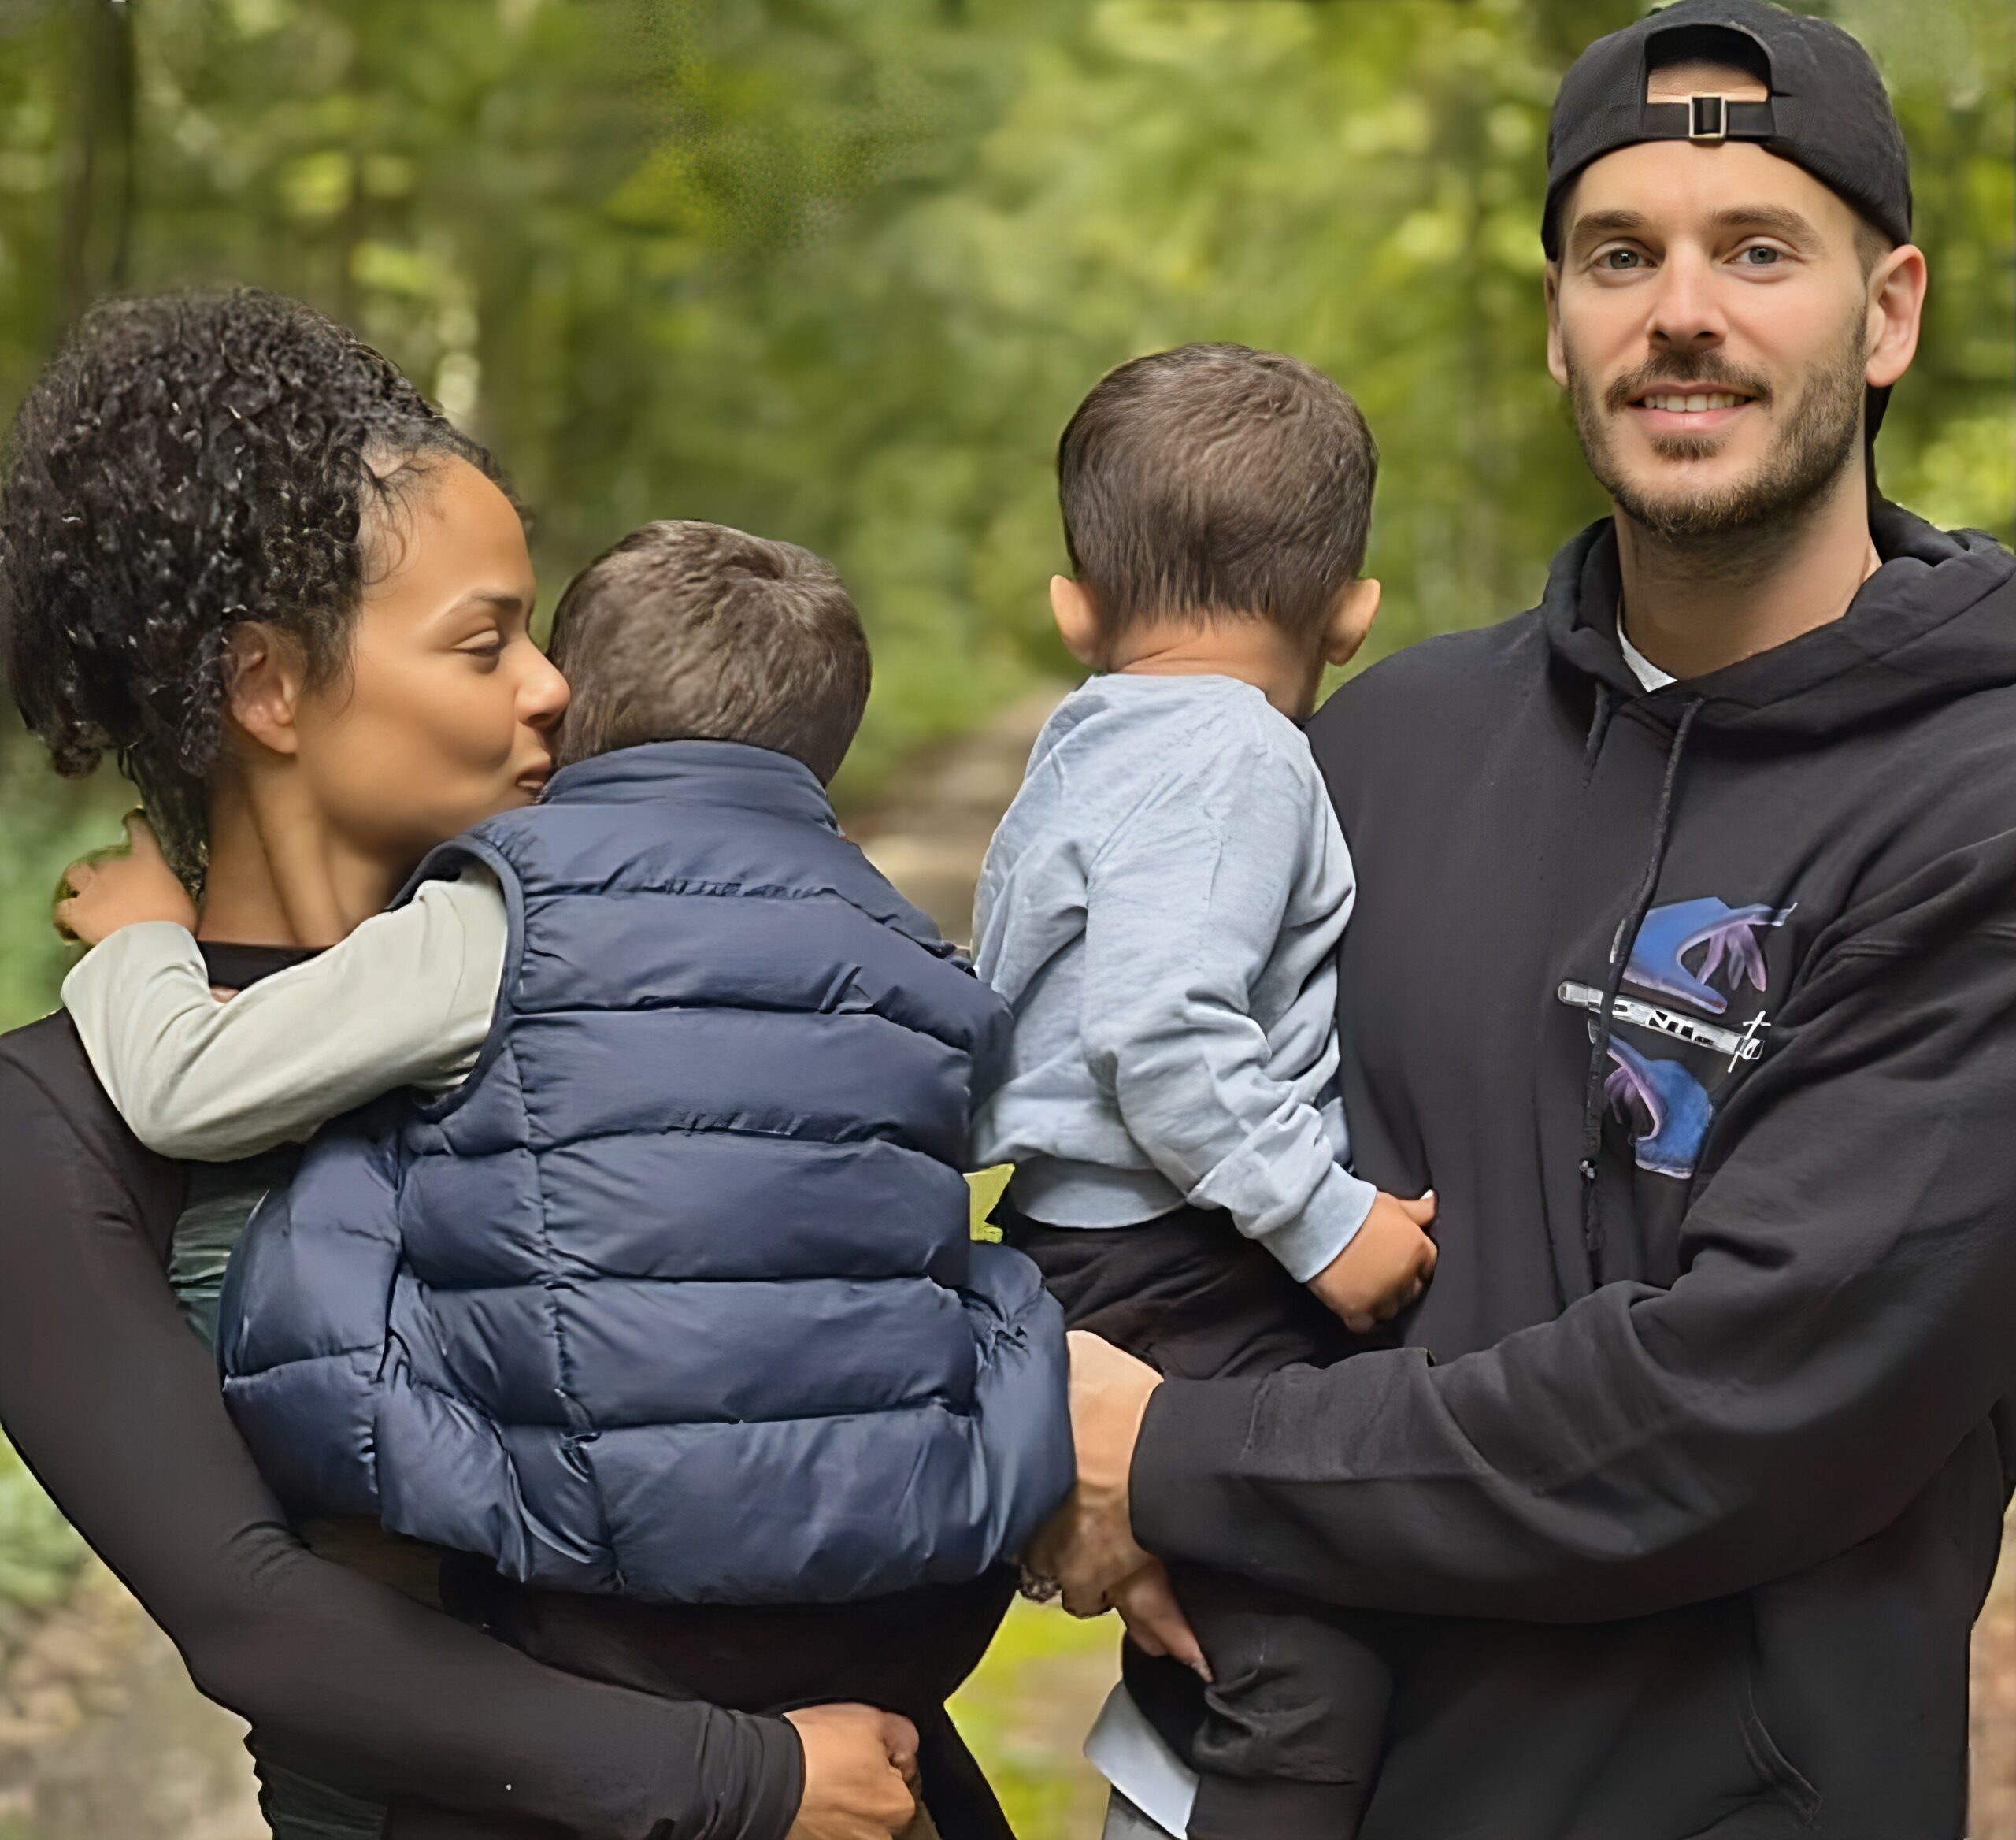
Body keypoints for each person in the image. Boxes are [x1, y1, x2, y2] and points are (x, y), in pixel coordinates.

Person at [1034, 5, 2016, 1837]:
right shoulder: (1373, 743)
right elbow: (1116, 1126)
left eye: (1755, 253)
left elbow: (1733, 1416)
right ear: (1559, 321)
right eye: (1617, 254)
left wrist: (1166, 1459)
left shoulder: (1978, 809)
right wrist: (1080, 1438)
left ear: (1885, 313)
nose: (1681, 314)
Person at [0, 288, 925, 1840]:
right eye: (486, 641)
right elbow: (251, 1611)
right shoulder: (57, 1122)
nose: (554, 685)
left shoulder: (629, 979)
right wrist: (743, 1778)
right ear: (267, 689)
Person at [969, 342, 1436, 1840]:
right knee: (1312, 1661)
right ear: (1351, 617)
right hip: (1181, 1252)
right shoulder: (1240, 751)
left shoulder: (1085, 743)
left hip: (1085, 1246)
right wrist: (1330, 1224)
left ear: (1075, 609)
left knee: (1230, 1598)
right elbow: (1162, 1033)